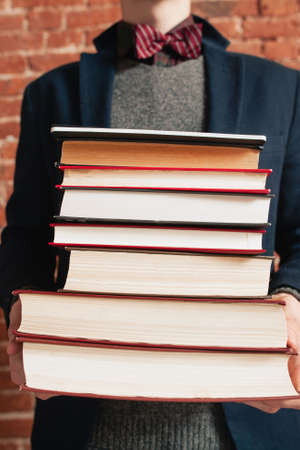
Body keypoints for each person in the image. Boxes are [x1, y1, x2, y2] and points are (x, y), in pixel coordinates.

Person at [2, 0, 300, 448]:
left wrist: (291, 300)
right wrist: (26, 318)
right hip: (86, 420)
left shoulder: (281, 89)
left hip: (244, 424)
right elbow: (22, 238)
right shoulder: (49, 93)